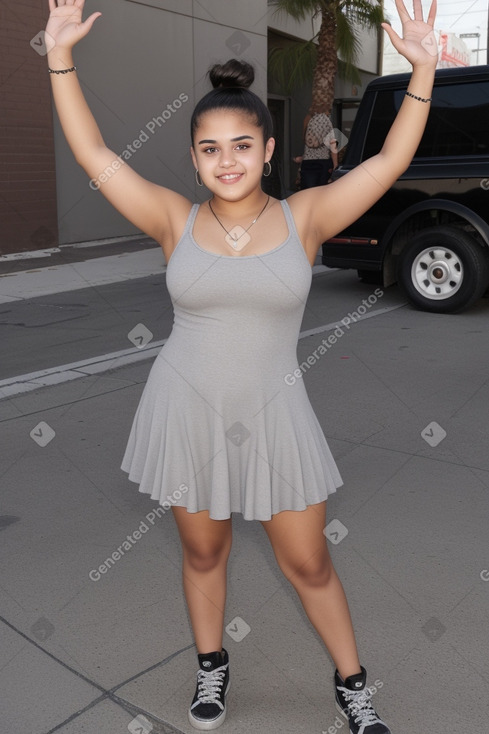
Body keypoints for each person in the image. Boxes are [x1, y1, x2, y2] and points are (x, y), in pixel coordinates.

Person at [44, 1, 438, 731]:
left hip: (273, 414)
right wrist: (59, 58)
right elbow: (97, 156)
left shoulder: (307, 217)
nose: (226, 160)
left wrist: (419, 73)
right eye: (209, 148)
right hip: (185, 410)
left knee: (309, 563)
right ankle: (210, 667)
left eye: (240, 145)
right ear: (194, 158)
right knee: (202, 553)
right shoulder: (172, 219)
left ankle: (351, 684)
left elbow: (388, 162)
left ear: (265, 150)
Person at [300, 110, 339, 189]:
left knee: (308, 191)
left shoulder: (308, 118)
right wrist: (335, 165)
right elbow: (332, 145)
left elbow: (304, 139)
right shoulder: (327, 121)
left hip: (308, 161)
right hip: (323, 161)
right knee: (321, 191)